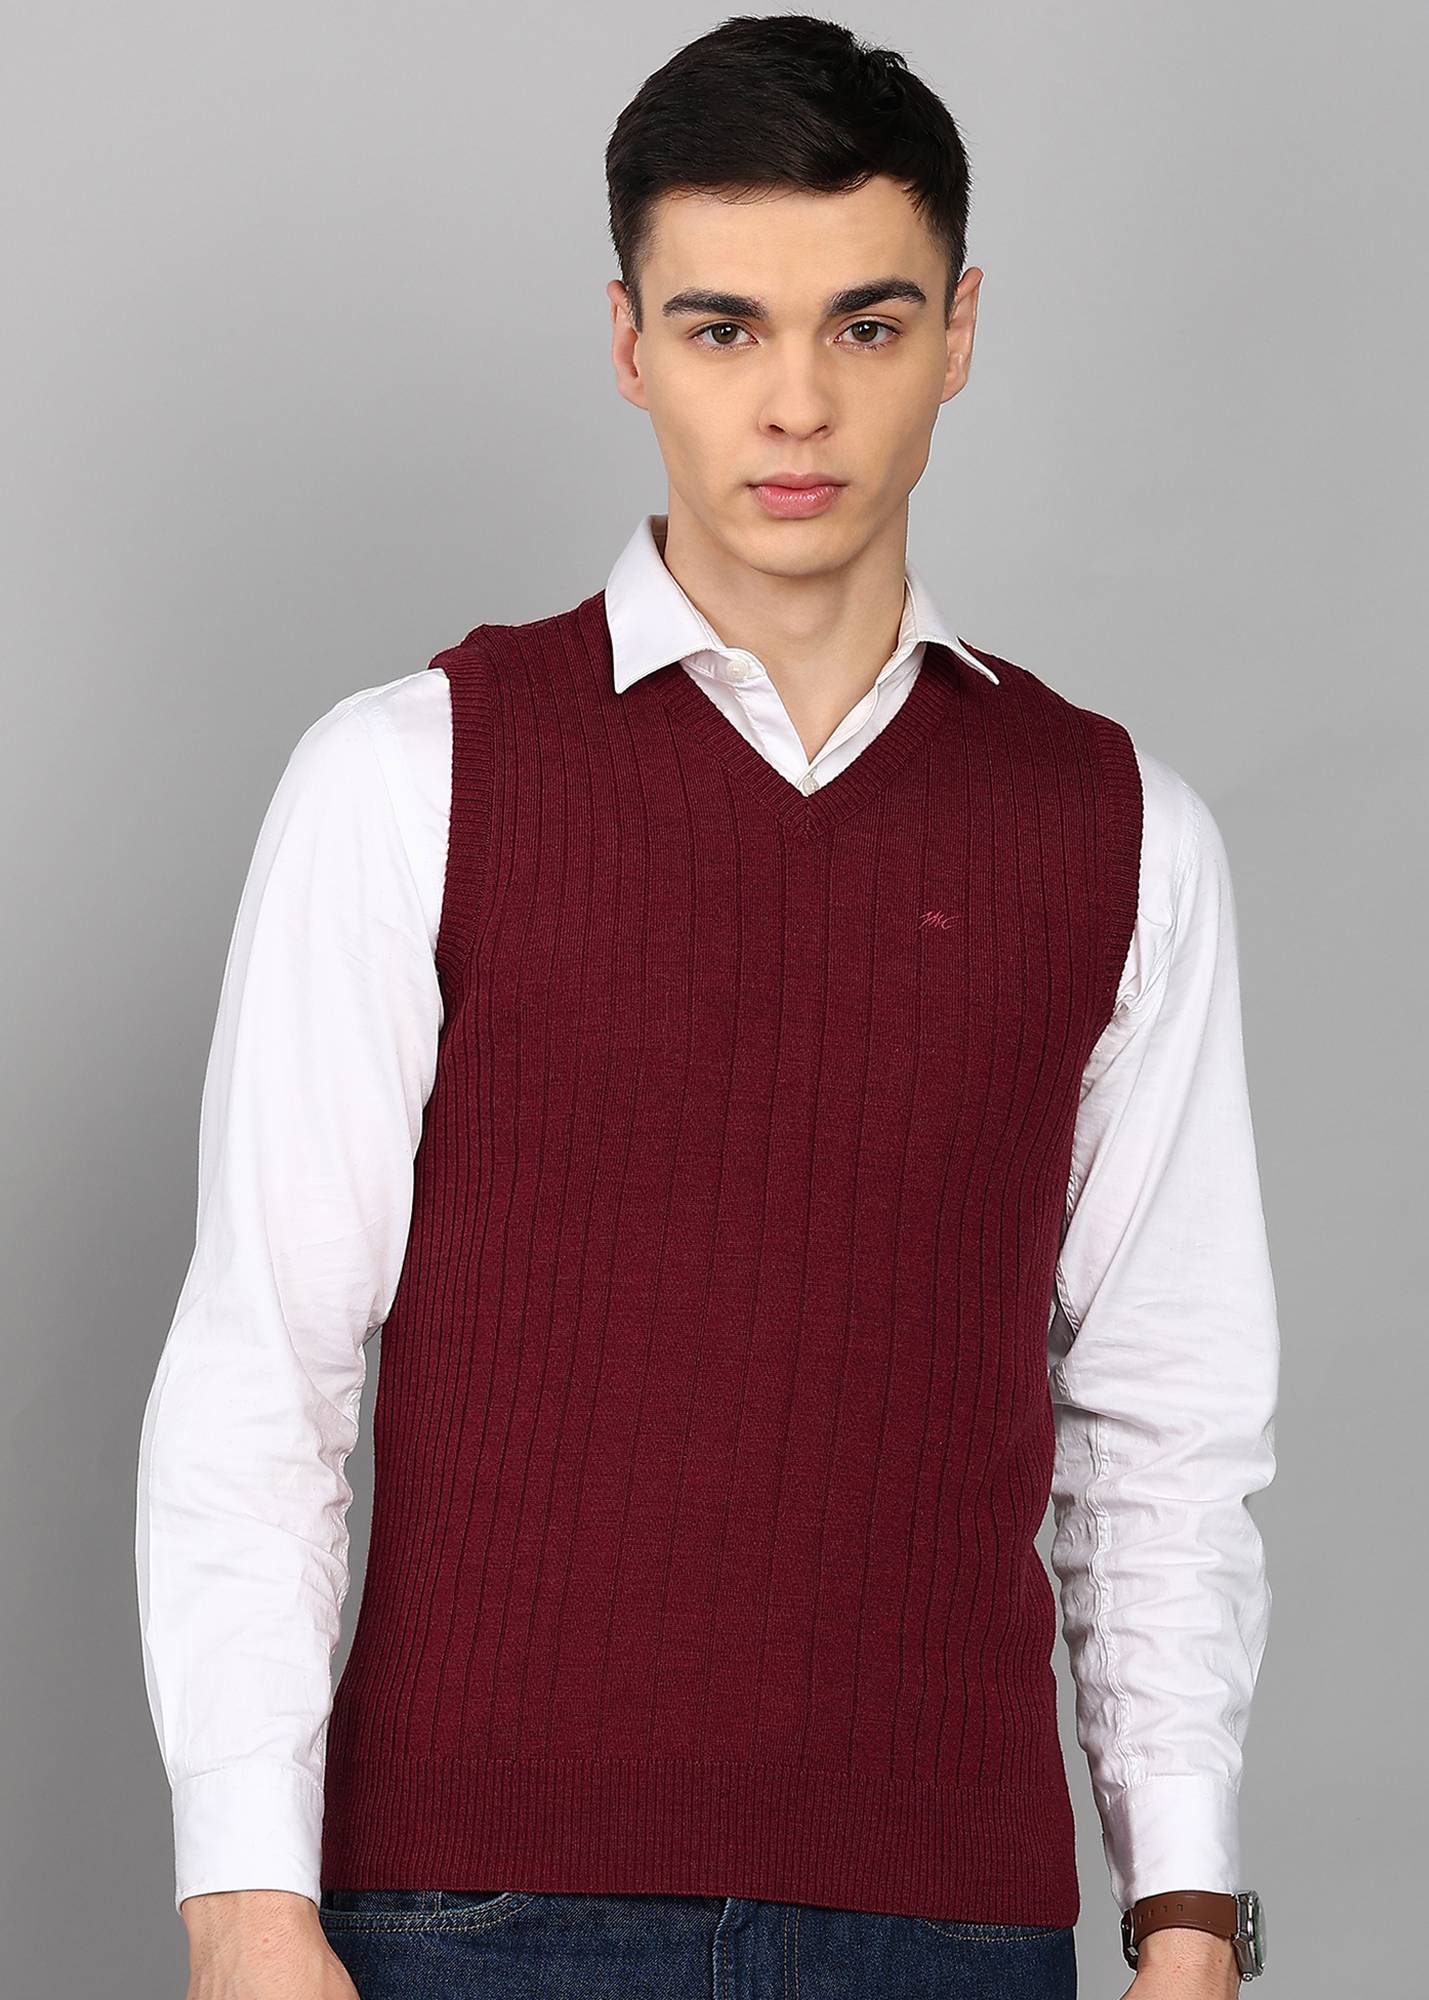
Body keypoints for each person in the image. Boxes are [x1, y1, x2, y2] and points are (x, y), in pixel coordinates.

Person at [135, 15, 1279, 1998]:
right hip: (472, 1912)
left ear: (957, 332)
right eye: (724, 328)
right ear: (629, 343)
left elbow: (1166, 1419)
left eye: (865, 324)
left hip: (948, 1927)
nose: (795, 403)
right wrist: (244, 1896)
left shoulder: (1118, 831)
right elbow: (269, 1357)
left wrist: (1184, 1907)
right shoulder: (412, 776)